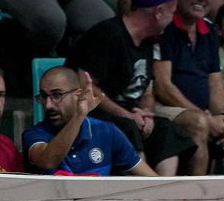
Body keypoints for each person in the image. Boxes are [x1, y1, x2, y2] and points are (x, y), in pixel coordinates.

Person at [67, 0, 202, 175]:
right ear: (158, 12)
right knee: (127, 128)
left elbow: (146, 86)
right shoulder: (109, 35)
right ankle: (148, 190)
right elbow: (87, 86)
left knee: (165, 129)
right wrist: (127, 114)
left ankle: (166, 190)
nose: (173, 18)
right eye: (171, 12)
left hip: (127, 115)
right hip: (90, 114)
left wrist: (145, 113)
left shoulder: (148, 39)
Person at [155, 0, 224, 174]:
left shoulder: (209, 30)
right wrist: (209, 119)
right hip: (163, 106)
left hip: (202, 110)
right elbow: (163, 87)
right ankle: (198, 196)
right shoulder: (165, 28)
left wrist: (223, 117)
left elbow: (215, 82)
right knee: (199, 123)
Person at [23, 65, 156, 177]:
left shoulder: (107, 132)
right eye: (44, 96)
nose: (48, 105)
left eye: (57, 95)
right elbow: (48, 161)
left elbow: (152, 180)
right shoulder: (34, 135)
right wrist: (79, 116)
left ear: (78, 95)